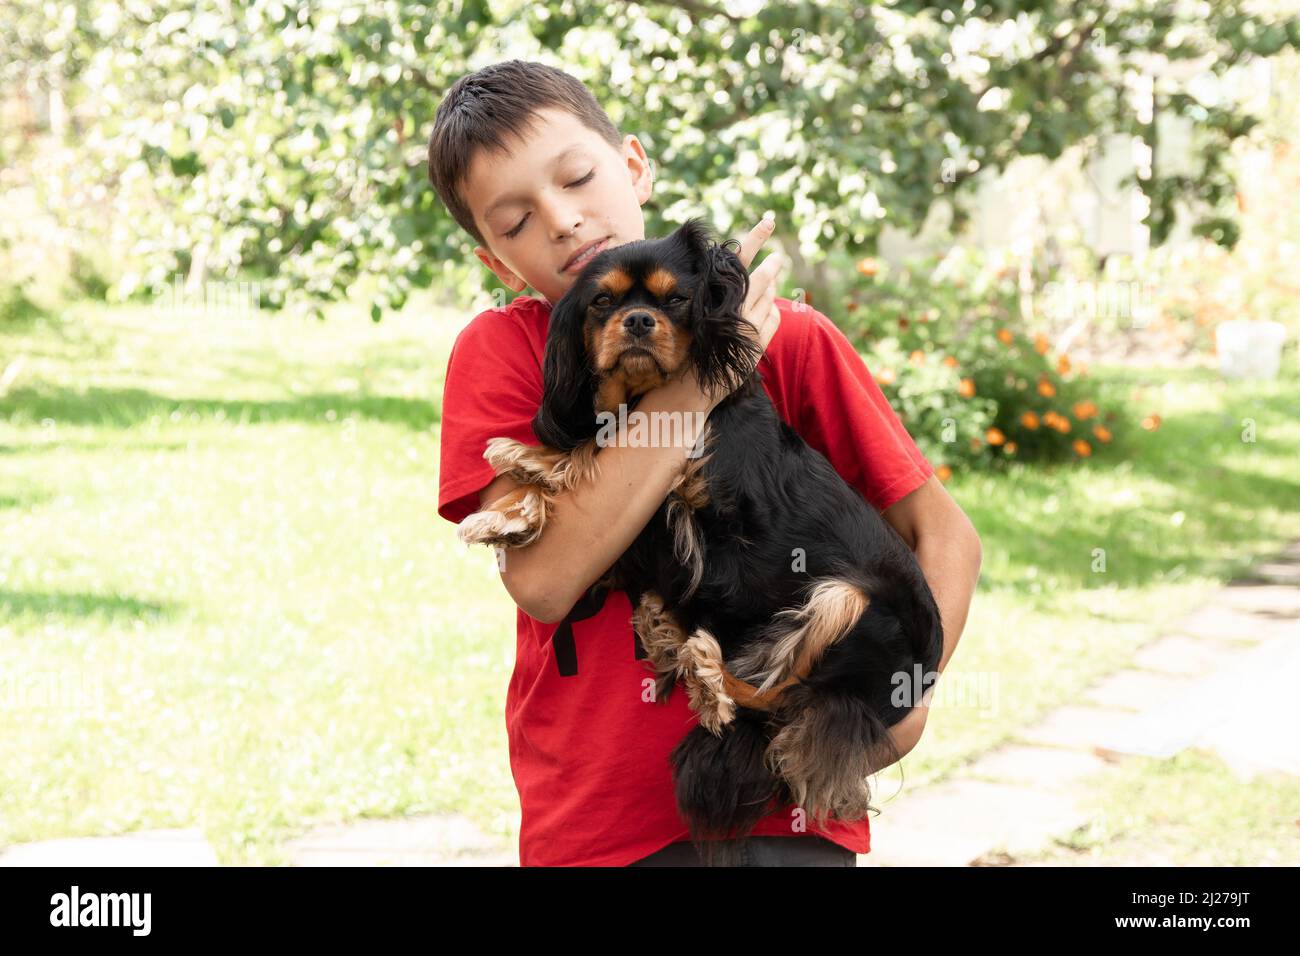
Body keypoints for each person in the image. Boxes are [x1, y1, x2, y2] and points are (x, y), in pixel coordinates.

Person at [428, 59, 983, 867]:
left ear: (634, 164)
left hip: (784, 813)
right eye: (514, 223)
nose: (563, 221)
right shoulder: (504, 355)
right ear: (496, 263)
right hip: (598, 820)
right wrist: (704, 384)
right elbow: (544, 580)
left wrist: (900, 699)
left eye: (578, 177)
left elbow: (946, 536)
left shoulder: (791, 338)